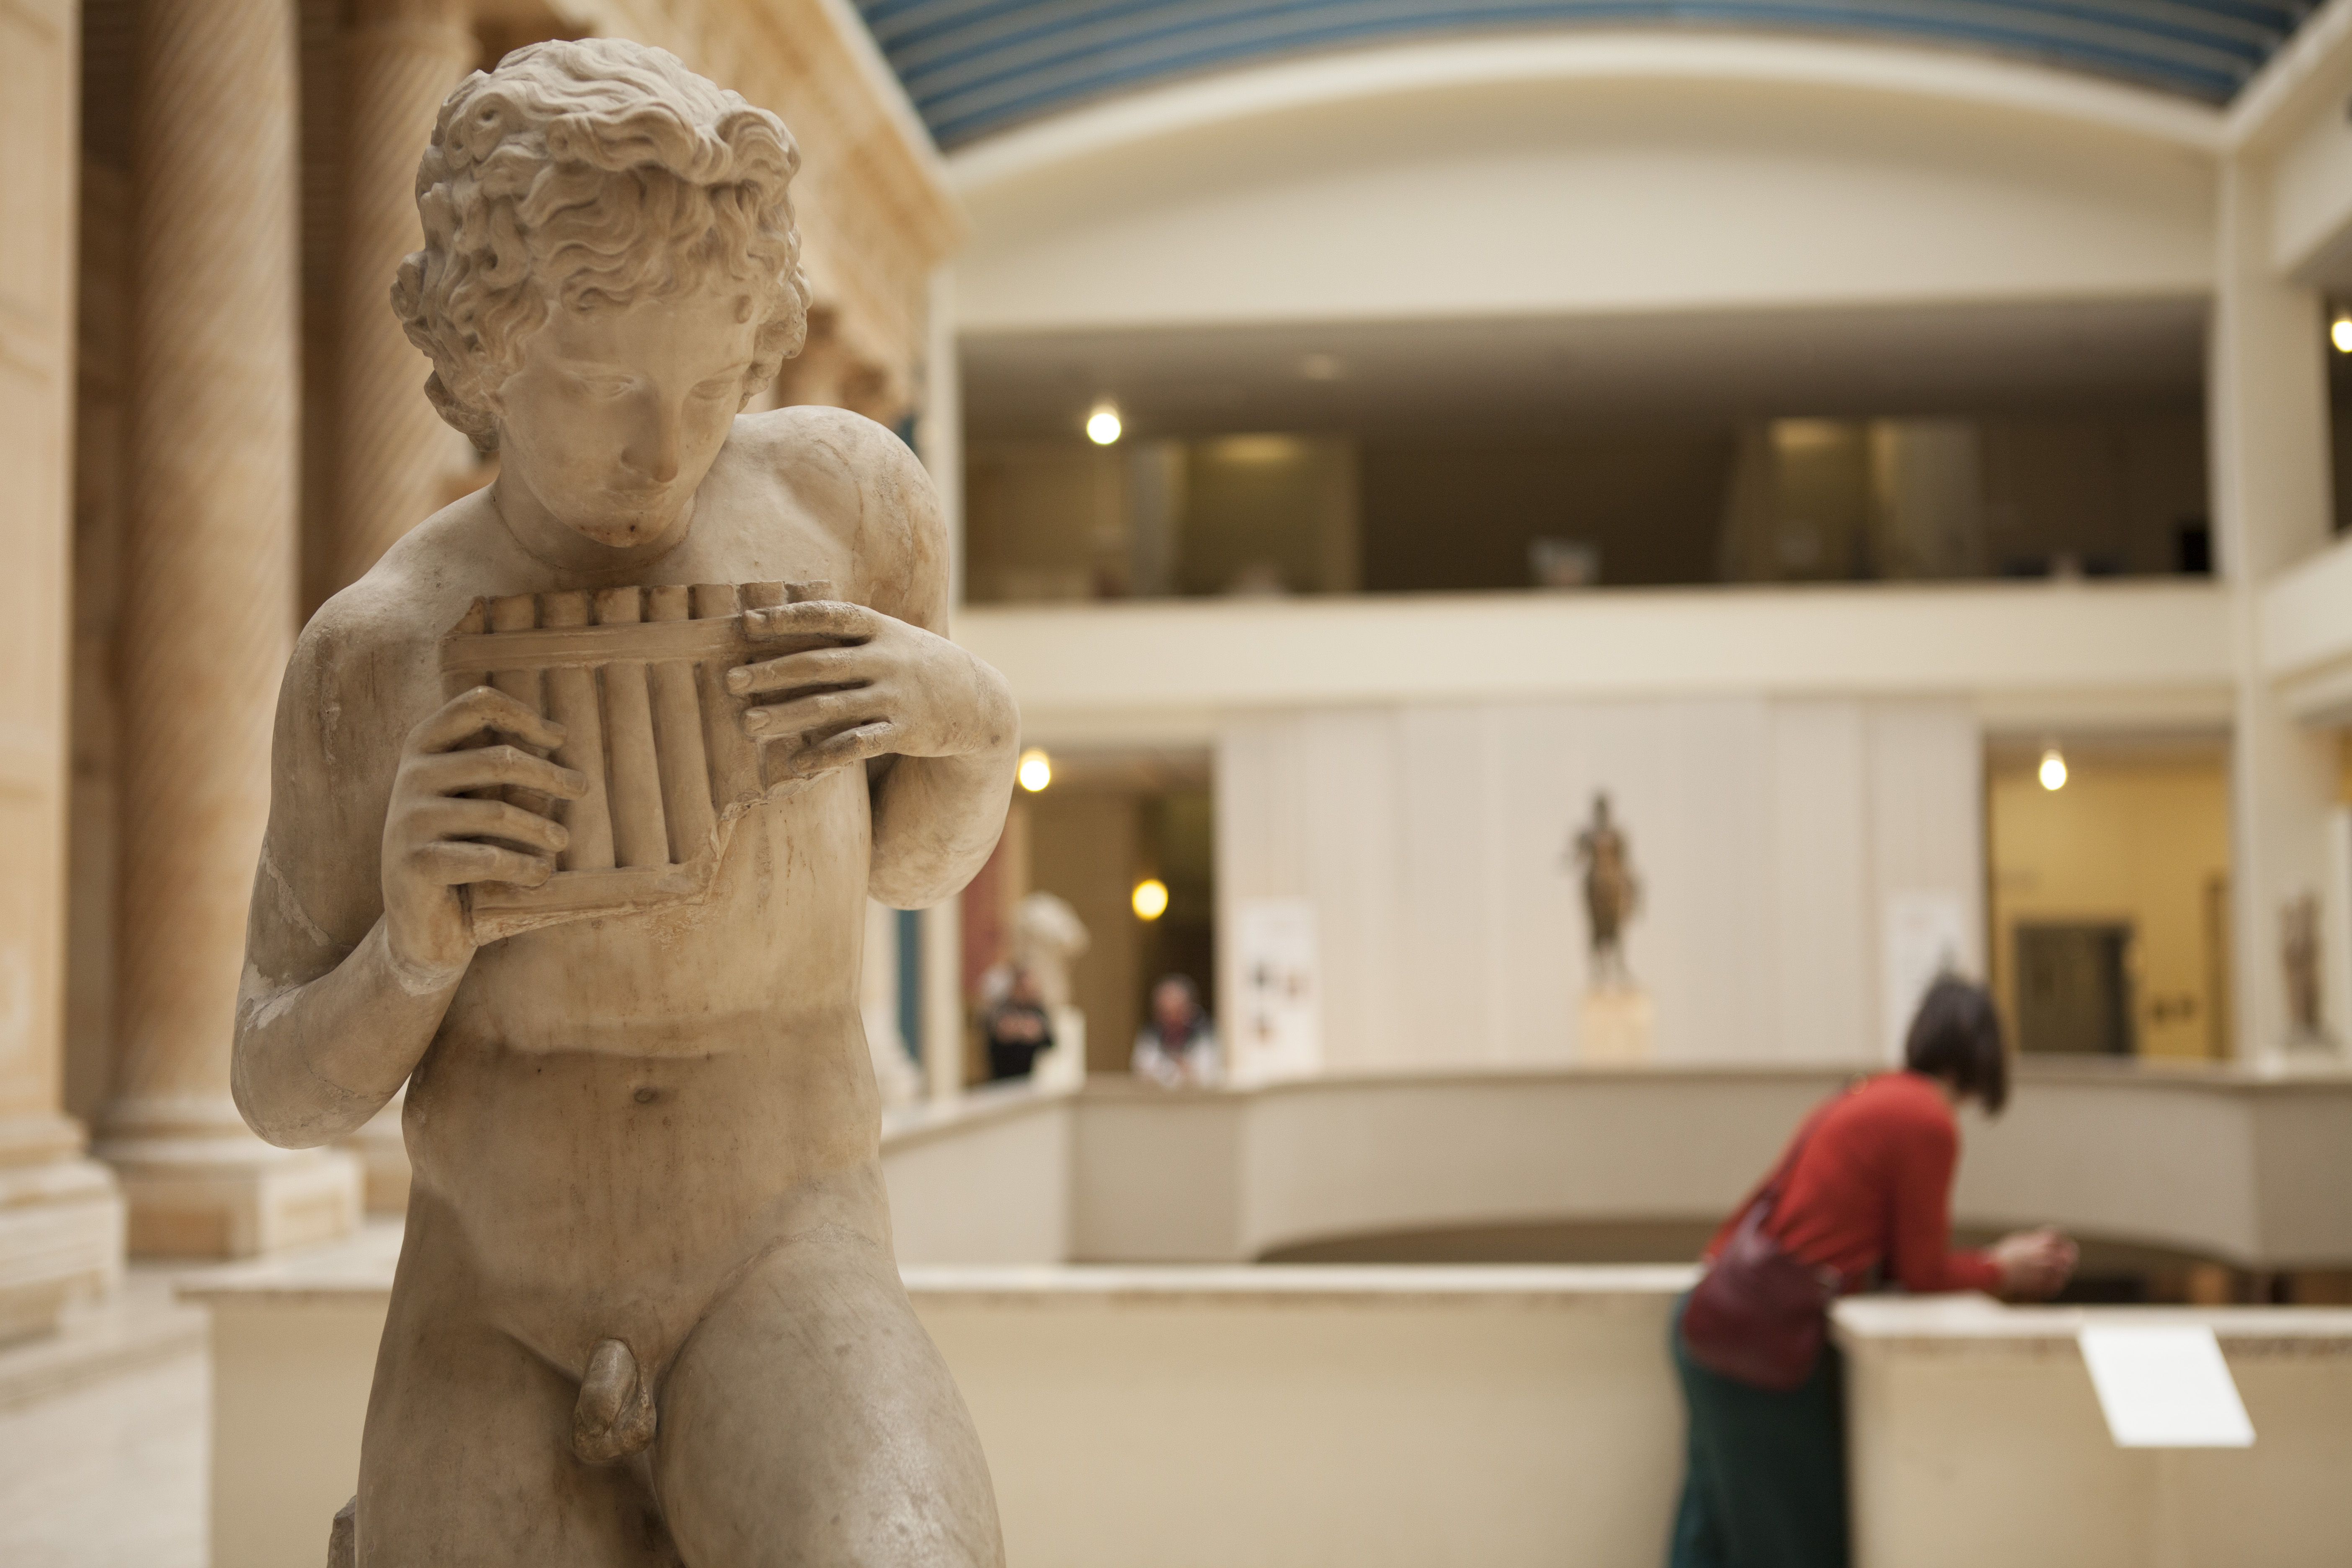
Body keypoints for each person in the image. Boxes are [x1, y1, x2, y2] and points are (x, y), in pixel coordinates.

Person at [230, 41, 1013, 1565]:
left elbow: (914, 869)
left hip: (787, 1258)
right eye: (603, 390)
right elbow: (276, 1084)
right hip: (491, 1298)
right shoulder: (379, 649)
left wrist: (968, 724)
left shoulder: (849, 506)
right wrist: (411, 951)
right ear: (484, 352)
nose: (667, 450)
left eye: (714, 386)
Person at [1668, 977, 2077, 1568]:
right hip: (1766, 1345)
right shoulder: (1927, 1120)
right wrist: (2003, 1268)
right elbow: (1922, 1270)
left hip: (1712, 1320)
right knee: (1794, 1543)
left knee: (1706, 1538)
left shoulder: (1863, 1093)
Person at [1133, 974, 1220, 1086]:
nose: (1171, 1019)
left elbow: (1206, 1072)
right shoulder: (1151, 1034)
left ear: (1189, 1009)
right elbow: (1142, 1068)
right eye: (1165, 1013)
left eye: (1176, 1012)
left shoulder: (1204, 1033)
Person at [981, 966, 1054, 1082]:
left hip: (1031, 1076)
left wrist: (1036, 1034)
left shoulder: (1038, 1010)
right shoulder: (1002, 1008)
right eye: (1023, 988)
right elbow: (991, 1034)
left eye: (1030, 989)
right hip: (1002, 1075)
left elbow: (1051, 1041)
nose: (1026, 993)